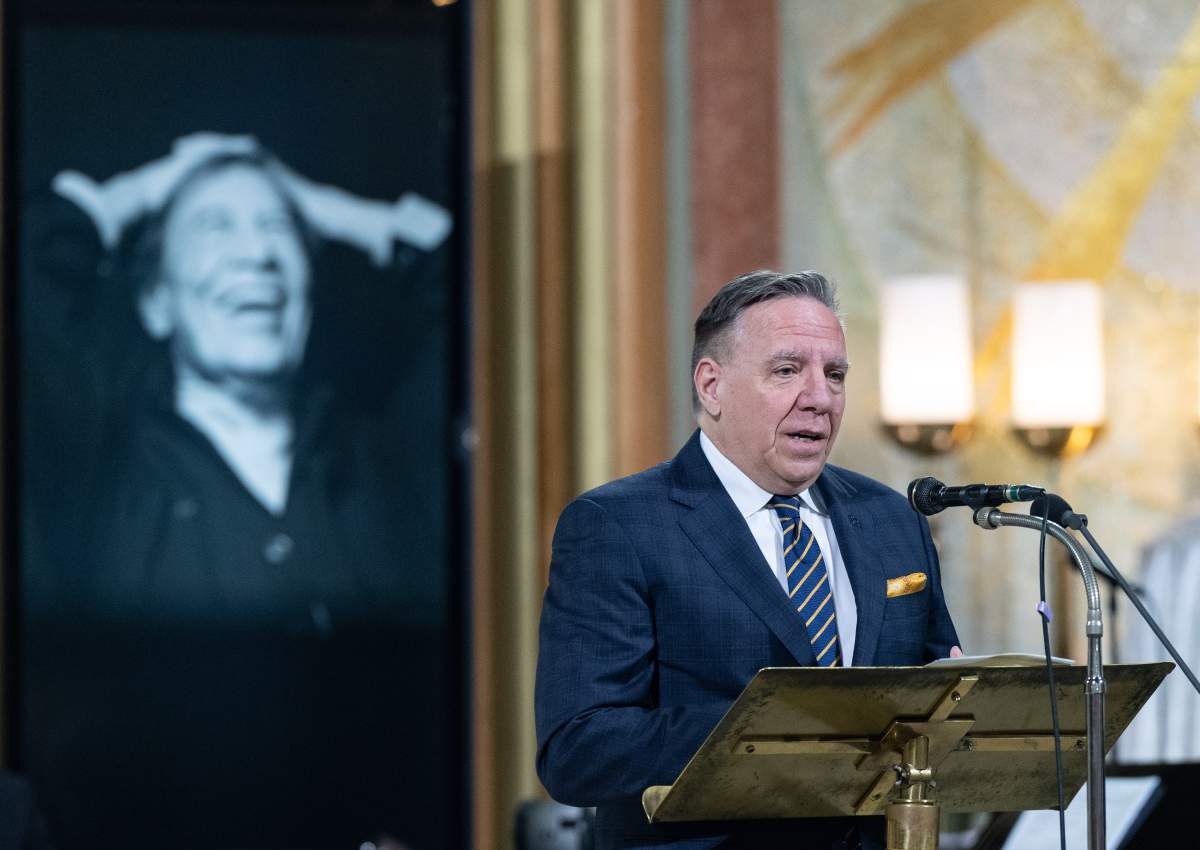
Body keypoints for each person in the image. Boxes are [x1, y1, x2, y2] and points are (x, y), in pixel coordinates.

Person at [20, 137, 452, 849]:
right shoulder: (99, 469)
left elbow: (501, 293)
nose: (256, 255)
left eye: (278, 232)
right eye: (215, 227)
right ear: (156, 303)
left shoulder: (388, 462)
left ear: (308, 298)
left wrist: (331, 210)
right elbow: (27, 274)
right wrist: (148, 184)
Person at [535, 270, 961, 850]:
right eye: (787, 371)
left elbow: (937, 702)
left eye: (834, 375)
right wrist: (775, 727)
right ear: (711, 386)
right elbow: (578, 750)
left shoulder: (892, 519)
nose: (819, 397)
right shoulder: (621, 525)